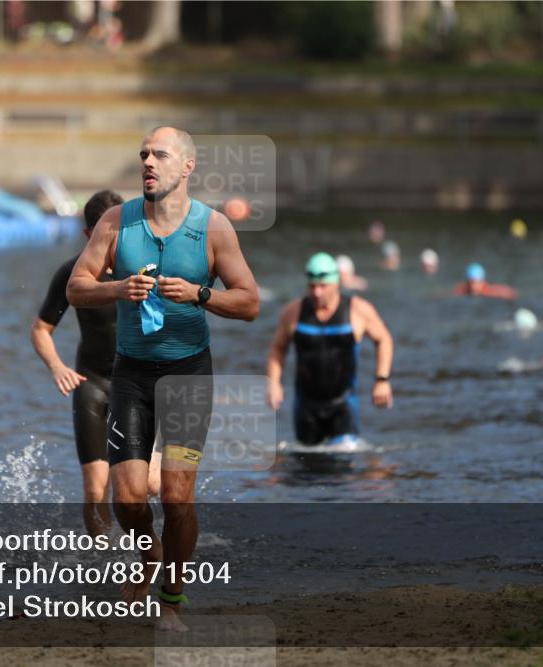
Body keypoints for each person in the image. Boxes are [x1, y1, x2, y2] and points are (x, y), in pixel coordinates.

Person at [67, 126, 259, 631]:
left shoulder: (213, 228)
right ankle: (146, 553)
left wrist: (200, 295)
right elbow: (76, 287)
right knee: (127, 498)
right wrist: (117, 289)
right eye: (143, 155)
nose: (148, 162)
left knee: (177, 498)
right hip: (130, 374)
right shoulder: (116, 222)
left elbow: (250, 302)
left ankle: (171, 601)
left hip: (188, 374)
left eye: (160, 155)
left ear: (187, 167)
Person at [32, 191, 162, 536]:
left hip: (138, 385)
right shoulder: (72, 275)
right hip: (91, 383)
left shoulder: (147, 271)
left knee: (148, 486)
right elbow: (41, 330)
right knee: (95, 489)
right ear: (88, 235)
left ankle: (149, 546)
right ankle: (102, 559)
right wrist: (57, 366)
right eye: (104, 231)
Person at [266, 252, 394, 446]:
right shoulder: (293, 312)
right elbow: (278, 349)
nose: (317, 292)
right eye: (312, 286)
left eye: (323, 286)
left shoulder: (358, 310)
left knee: (343, 465)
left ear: (337, 283)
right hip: (306, 406)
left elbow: (383, 339)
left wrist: (382, 379)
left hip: (343, 404)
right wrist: (274, 382)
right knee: (305, 468)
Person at [453, 263, 517, 300]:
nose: (473, 286)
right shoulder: (463, 290)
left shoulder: (489, 292)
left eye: (476, 282)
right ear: (467, 282)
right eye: (471, 282)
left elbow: (510, 292)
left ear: (482, 282)